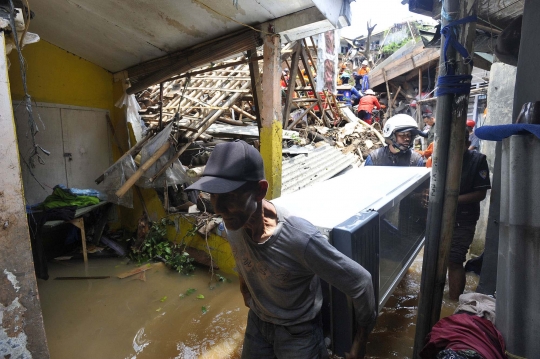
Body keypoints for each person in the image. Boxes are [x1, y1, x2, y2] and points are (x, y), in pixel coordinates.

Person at [186, 140, 377, 359]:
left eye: (230, 196)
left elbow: (361, 283)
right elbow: (242, 258)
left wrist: (361, 342)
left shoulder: (300, 238)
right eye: (213, 195)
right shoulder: (233, 223)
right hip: (258, 324)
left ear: (260, 191)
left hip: (298, 332)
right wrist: (245, 291)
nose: (218, 208)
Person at [447, 129, 491, 300]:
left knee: (455, 260)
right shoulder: (441, 157)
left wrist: (452, 199)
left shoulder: (477, 160)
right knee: (437, 259)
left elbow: (480, 194)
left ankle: (453, 302)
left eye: (459, 145)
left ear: (467, 144)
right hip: (441, 216)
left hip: (464, 218)